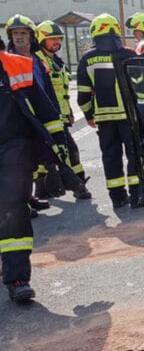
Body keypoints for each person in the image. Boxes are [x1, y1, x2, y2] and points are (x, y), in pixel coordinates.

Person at [1, 32, 72, 303]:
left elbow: (45, 109)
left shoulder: (16, 66)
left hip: (12, 148)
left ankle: (17, 277)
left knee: (11, 209)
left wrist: (59, 146)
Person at [76, 14, 144, 210]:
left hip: (104, 119)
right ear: (116, 31)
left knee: (110, 157)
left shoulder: (87, 59)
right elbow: (141, 85)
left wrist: (89, 114)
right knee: (134, 155)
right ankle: (137, 195)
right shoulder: (129, 53)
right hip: (129, 117)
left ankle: (117, 197)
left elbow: (82, 94)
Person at [34, 21, 92, 200]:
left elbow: (62, 92)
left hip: (60, 116)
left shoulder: (54, 60)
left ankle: (42, 190)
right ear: (41, 39)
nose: (56, 42)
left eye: (58, 39)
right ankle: (78, 185)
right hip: (47, 116)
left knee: (49, 153)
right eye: (52, 39)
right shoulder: (37, 60)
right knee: (68, 150)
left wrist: (69, 114)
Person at [6, 15, 57, 214]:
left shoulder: (37, 60)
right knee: (17, 165)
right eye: (15, 33)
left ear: (31, 36)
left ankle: (29, 196)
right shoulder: (7, 60)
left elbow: (48, 91)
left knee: (31, 162)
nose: (19, 37)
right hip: (19, 120)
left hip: (40, 116)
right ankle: (23, 203)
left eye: (23, 33)